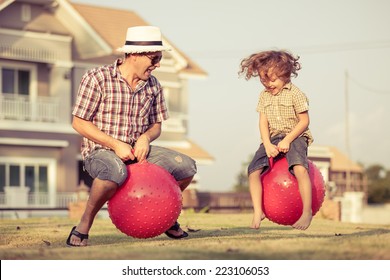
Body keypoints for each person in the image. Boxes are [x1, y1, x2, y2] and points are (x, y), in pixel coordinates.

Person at [66, 26, 197, 246]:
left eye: (159, 58)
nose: (157, 65)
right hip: (101, 151)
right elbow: (78, 122)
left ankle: (168, 219)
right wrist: (115, 145)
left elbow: (157, 126)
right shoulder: (97, 78)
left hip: (138, 151)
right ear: (134, 55)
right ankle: (84, 224)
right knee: (113, 171)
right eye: (154, 59)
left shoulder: (154, 85)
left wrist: (145, 138)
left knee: (187, 167)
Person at [238, 50, 314, 230]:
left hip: (295, 135)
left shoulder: (296, 94)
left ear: (285, 75)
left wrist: (288, 140)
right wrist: (267, 143)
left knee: (299, 168)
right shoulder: (264, 96)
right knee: (253, 171)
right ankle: (258, 211)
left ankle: (307, 212)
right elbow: (262, 122)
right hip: (272, 137)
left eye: (272, 80)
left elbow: (304, 121)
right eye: (264, 80)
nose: (268, 84)